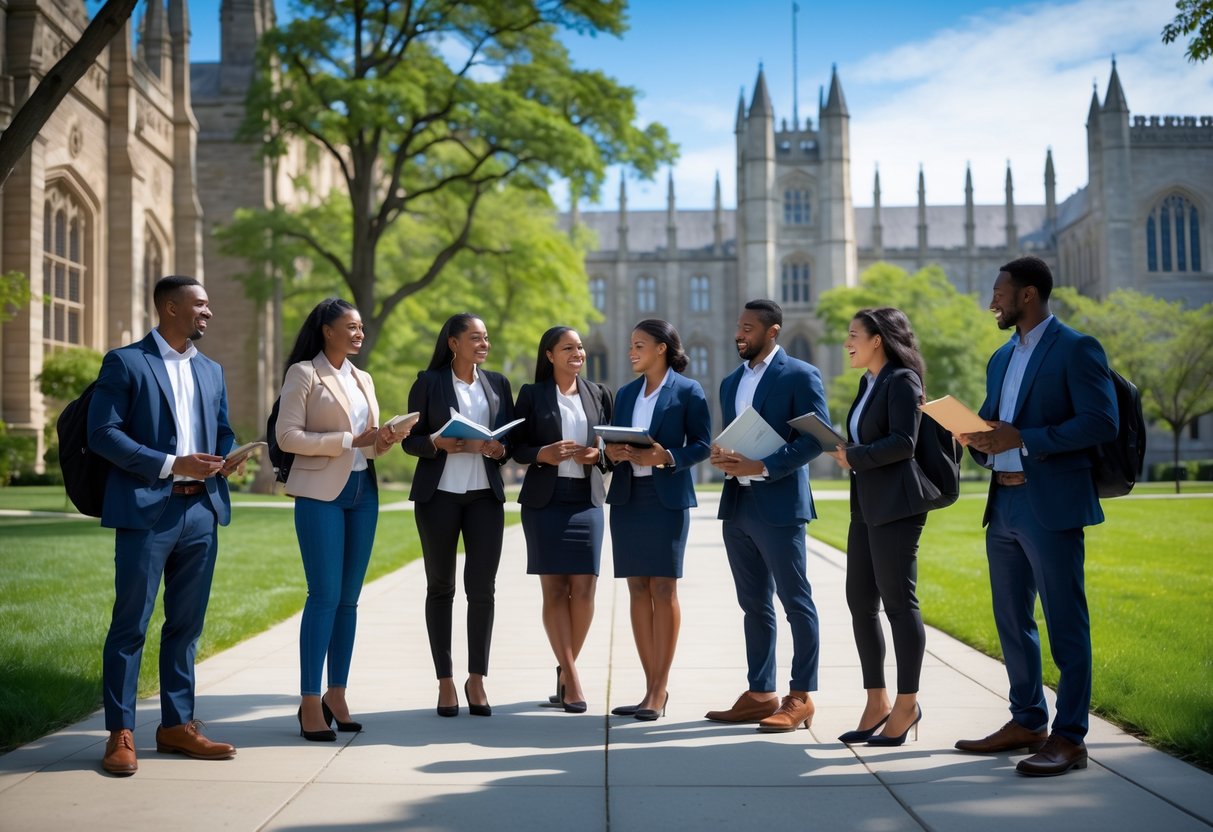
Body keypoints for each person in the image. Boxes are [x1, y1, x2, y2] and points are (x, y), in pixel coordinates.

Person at [954, 256, 1118, 777]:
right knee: (1012, 621)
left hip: (1050, 505)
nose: (992, 302)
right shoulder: (1000, 359)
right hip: (1002, 504)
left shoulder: (1077, 348)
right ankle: (1027, 721)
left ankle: (1070, 738)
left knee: (1065, 622)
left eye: (999, 293)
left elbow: (1101, 422)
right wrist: (974, 437)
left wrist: (1024, 438)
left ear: (1028, 295)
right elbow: (995, 425)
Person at [89, 275, 239, 775]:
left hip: (202, 510)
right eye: (200, 304)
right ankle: (120, 732)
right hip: (147, 510)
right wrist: (172, 463)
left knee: (186, 626)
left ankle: (177, 726)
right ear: (170, 308)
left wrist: (226, 457)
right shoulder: (126, 362)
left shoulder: (212, 370)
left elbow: (221, 430)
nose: (208, 313)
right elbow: (103, 434)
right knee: (130, 624)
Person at [276, 298, 406, 741]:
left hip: (362, 493)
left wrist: (382, 441)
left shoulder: (362, 377)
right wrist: (352, 438)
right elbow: (287, 436)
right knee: (324, 595)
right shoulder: (303, 373)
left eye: (362, 326)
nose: (359, 333)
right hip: (319, 494)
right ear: (327, 330)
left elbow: (365, 446)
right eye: (350, 326)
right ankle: (309, 700)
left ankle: (337, 693)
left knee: (349, 599)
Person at [707, 299, 830, 732]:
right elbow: (732, 437)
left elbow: (816, 440)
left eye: (747, 328)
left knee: (796, 601)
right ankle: (761, 693)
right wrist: (722, 457)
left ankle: (801, 696)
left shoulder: (800, 374)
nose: (739, 334)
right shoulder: (729, 382)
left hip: (779, 504)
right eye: (737, 327)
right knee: (753, 604)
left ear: (771, 331)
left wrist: (764, 465)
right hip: (738, 504)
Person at [825, 308, 933, 747]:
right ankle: (877, 701)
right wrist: (846, 448)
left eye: (853, 335)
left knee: (898, 604)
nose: (847, 342)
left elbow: (905, 442)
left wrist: (855, 456)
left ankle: (907, 705)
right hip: (864, 505)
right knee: (860, 602)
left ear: (878, 340)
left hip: (896, 507)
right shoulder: (868, 382)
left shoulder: (902, 380)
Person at [404, 313, 514, 718]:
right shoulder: (428, 383)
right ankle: (446, 681)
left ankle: (477, 680)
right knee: (441, 588)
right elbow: (410, 443)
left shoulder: (498, 384)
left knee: (482, 589)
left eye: (486, 337)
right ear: (453, 343)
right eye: (475, 337)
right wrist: (437, 441)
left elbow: (510, 442)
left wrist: (497, 449)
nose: (483, 343)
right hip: (439, 498)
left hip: (485, 496)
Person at [603, 320, 712, 722]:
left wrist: (665, 456)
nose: (631, 351)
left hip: (666, 499)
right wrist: (612, 453)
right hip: (629, 499)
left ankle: (658, 689)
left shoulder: (688, 390)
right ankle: (650, 687)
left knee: (663, 589)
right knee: (636, 589)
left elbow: (702, 445)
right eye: (630, 345)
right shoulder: (627, 393)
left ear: (662, 348)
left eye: (639, 345)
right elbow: (612, 441)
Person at [512, 326, 613, 713]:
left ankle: (565, 670)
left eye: (581, 347)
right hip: (544, 502)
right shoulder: (532, 395)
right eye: (568, 347)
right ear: (550, 355)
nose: (578, 353)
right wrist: (543, 454)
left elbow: (615, 447)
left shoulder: (600, 393)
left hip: (586, 500)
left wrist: (597, 457)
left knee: (585, 590)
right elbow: (514, 448)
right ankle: (572, 678)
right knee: (554, 592)